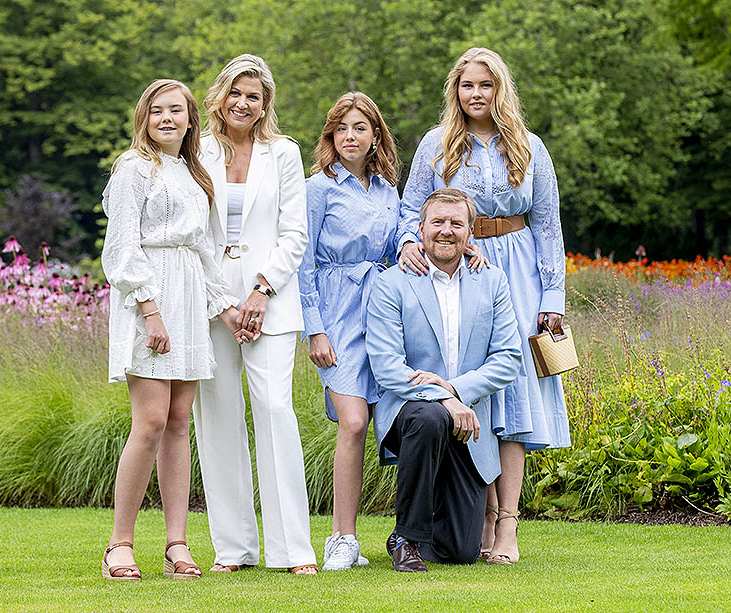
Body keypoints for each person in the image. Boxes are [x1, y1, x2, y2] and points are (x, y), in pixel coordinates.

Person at [398, 47, 569, 565]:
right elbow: (412, 209)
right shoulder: (437, 142)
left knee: (513, 394)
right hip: (458, 268)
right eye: (468, 85)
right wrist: (409, 242)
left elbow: (547, 224)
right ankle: (481, 515)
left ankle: (508, 525)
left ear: (500, 91)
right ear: (456, 90)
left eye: (486, 86)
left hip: (516, 269)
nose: (476, 94)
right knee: (475, 389)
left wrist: (552, 296)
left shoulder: (529, 145)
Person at [101, 79, 247, 580]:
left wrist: (225, 307)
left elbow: (205, 254)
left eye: (176, 111)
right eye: (157, 110)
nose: (167, 118)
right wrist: (149, 309)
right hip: (151, 295)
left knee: (180, 421)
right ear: (145, 117)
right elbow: (121, 247)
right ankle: (119, 545)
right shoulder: (132, 169)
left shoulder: (193, 173)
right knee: (150, 421)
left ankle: (176, 544)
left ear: (190, 120)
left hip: (187, 297)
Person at [191, 54, 317, 575]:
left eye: (254, 96)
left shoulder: (283, 153)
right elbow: (194, 236)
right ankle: (234, 550)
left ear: (266, 105)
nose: (243, 103)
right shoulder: (195, 152)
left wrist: (261, 291)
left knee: (274, 412)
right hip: (210, 302)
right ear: (220, 96)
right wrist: (224, 303)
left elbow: (295, 234)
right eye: (235, 93)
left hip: (273, 302)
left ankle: (293, 551)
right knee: (217, 419)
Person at [366, 188, 522, 572]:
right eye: (437, 222)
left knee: (460, 552)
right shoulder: (391, 283)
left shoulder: (492, 282)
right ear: (420, 229)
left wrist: (456, 391)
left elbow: (509, 359)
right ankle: (408, 538)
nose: (446, 231)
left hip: (468, 425)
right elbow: (387, 366)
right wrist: (442, 399)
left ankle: (424, 530)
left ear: (470, 233)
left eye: (456, 223)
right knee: (430, 417)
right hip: (410, 412)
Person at [297, 91, 400, 571]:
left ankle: (417, 530)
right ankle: (342, 537)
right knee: (354, 421)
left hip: (383, 311)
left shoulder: (386, 190)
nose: (351, 137)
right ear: (330, 137)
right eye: (342, 129)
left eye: (360, 128)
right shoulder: (316, 188)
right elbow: (303, 263)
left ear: (375, 135)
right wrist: (314, 329)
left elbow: (403, 236)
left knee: (397, 422)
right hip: (337, 313)